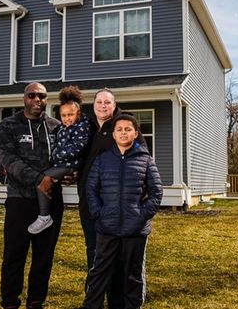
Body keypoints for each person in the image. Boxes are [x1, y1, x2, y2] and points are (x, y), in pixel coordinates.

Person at [80, 114, 163, 309]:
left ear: (135, 133)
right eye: (119, 129)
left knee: (132, 275)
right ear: (114, 134)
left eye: (128, 129)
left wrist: (141, 216)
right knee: (99, 273)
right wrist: (99, 213)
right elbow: (90, 189)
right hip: (106, 227)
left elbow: (156, 192)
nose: (123, 132)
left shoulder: (145, 160)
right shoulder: (102, 159)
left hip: (135, 230)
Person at [75, 88, 147, 309]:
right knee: (94, 257)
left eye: (107, 102)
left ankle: (116, 302)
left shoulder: (123, 126)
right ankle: (94, 301)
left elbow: (142, 162)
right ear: (93, 104)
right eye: (99, 101)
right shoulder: (86, 127)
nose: (103, 106)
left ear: (114, 105)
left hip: (117, 210)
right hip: (90, 206)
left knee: (118, 262)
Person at [0, 82, 61, 309]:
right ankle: (10, 302)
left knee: (43, 257)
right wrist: (39, 179)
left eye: (41, 96)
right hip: (19, 201)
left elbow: (64, 160)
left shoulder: (56, 127)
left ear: (46, 100)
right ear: (24, 98)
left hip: (52, 201)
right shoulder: (8, 126)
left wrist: (69, 175)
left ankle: (36, 302)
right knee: (14, 255)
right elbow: (8, 160)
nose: (37, 100)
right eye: (32, 95)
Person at [28, 85, 92, 234]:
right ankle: (43, 213)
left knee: (42, 181)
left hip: (70, 165)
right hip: (61, 164)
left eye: (70, 114)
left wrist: (56, 155)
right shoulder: (61, 128)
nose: (67, 118)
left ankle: (44, 216)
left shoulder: (82, 127)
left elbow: (77, 148)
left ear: (78, 113)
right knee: (43, 182)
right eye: (63, 115)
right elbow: (54, 143)